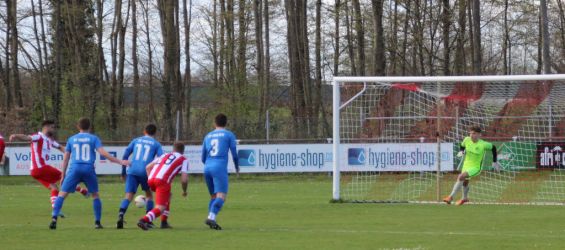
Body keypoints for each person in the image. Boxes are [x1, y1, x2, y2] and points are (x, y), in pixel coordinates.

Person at [50, 118, 128, 229]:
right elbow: (103, 153)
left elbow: (66, 158)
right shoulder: (94, 138)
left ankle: (54, 219)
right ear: (89, 127)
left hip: (74, 168)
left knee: (62, 194)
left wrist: (63, 175)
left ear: (78, 126)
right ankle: (97, 222)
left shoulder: (71, 139)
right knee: (95, 195)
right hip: (88, 169)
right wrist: (120, 161)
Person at [9, 120, 89, 216]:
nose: (53, 129)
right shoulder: (38, 136)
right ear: (46, 127)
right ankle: (83, 191)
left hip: (35, 172)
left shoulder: (49, 140)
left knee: (54, 187)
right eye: (52, 127)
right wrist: (15, 135)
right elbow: (27, 137)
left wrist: (72, 155)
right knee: (66, 178)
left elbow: (61, 148)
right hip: (41, 167)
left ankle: (56, 210)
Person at [117, 124, 164, 229]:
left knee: (128, 196)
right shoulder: (156, 144)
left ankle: (121, 214)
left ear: (144, 131)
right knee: (149, 195)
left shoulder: (136, 140)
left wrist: (123, 172)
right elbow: (161, 159)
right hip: (145, 172)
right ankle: (148, 220)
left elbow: (125, 155)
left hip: (132, 171)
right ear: (155, 133)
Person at [137, 142, 189, 230]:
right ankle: (144, 220)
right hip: (162, 181)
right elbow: (184, 179)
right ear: (183, 151)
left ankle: (164, 222)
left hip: (151, 179)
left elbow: (148, 167)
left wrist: (150, 179)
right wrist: (184, 191)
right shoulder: (184, 159)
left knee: (169, 195)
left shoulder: (164, 155)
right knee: (160, 208)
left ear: (173, 149)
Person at [443, 126, 500, 205]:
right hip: (466, 165)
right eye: (471, 133)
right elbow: (462, 146)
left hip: (476, 167)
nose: (471, 135)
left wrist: (494, 162)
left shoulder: (483, 144)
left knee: (461, 177)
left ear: (479, 135)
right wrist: (461, 151)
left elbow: (493, 148)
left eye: (474, 133)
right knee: (465, 181)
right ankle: (464, 198)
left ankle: (450, 197)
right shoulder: (466, 139)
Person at [201, 113, 239, 230]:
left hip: (207, 167)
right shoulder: (229, 135)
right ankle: (211, 217)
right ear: (226, 123)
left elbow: (203, 157)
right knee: (221, 196)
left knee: (213, 196)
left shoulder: (208, 136)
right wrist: (237, 167)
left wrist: (209, 164)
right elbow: (234, 154)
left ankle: (211, 219)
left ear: (214, 123)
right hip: (219, 168)